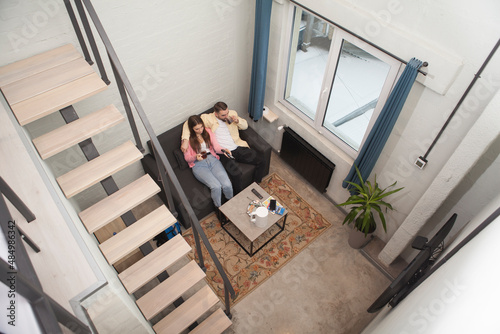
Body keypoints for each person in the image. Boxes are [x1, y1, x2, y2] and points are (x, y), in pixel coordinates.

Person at [180, 101, 264, 193]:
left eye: (227, 113)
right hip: (223, 152)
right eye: (223, 115)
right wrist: (185, 140)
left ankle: (256, 186)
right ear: (216, 114)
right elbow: (189, 123)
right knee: (236, 173)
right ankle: (239, 196)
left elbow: (245, 126)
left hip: (237, 147)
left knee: (261, 160)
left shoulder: (232, 114)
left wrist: (237, 121)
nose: (227, 116)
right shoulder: (207, 118)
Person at [183, 115, 233, 208]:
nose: (201, 130)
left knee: (227, 184)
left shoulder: (208, 132)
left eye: (201, 127)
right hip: (198, 165)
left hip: (212, 159)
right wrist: (195, 157)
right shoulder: (187, 140)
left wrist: (224, 150)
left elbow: (216, 147)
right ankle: (219, 208)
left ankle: (230, 204)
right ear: (191, 129)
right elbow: (187, 158)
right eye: (197, 129)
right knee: (216, 186)